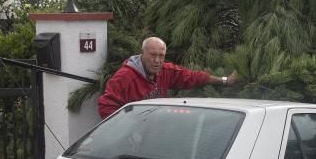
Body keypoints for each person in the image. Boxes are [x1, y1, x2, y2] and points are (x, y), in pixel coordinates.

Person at [97, 36, 237, 118]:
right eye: (153, 55)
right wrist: (128, 128)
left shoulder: (166, 71)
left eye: (161, 56)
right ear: (143, 54)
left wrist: (224, 80)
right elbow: (106, 106)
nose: (157, 60)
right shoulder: (125, 77)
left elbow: (192, 77)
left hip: (155, 129)